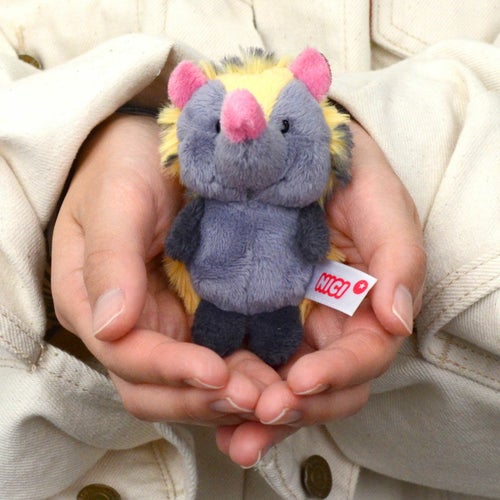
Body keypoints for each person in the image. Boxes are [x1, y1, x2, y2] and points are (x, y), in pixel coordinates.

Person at [0, 1, 498, 499]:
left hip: (290, 310)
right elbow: (182, 235)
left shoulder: (304, 207)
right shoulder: (200, 203)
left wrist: (398, 162)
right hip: (209, 302)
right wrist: (65, 179)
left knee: (278, 333)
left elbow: (314, 239)